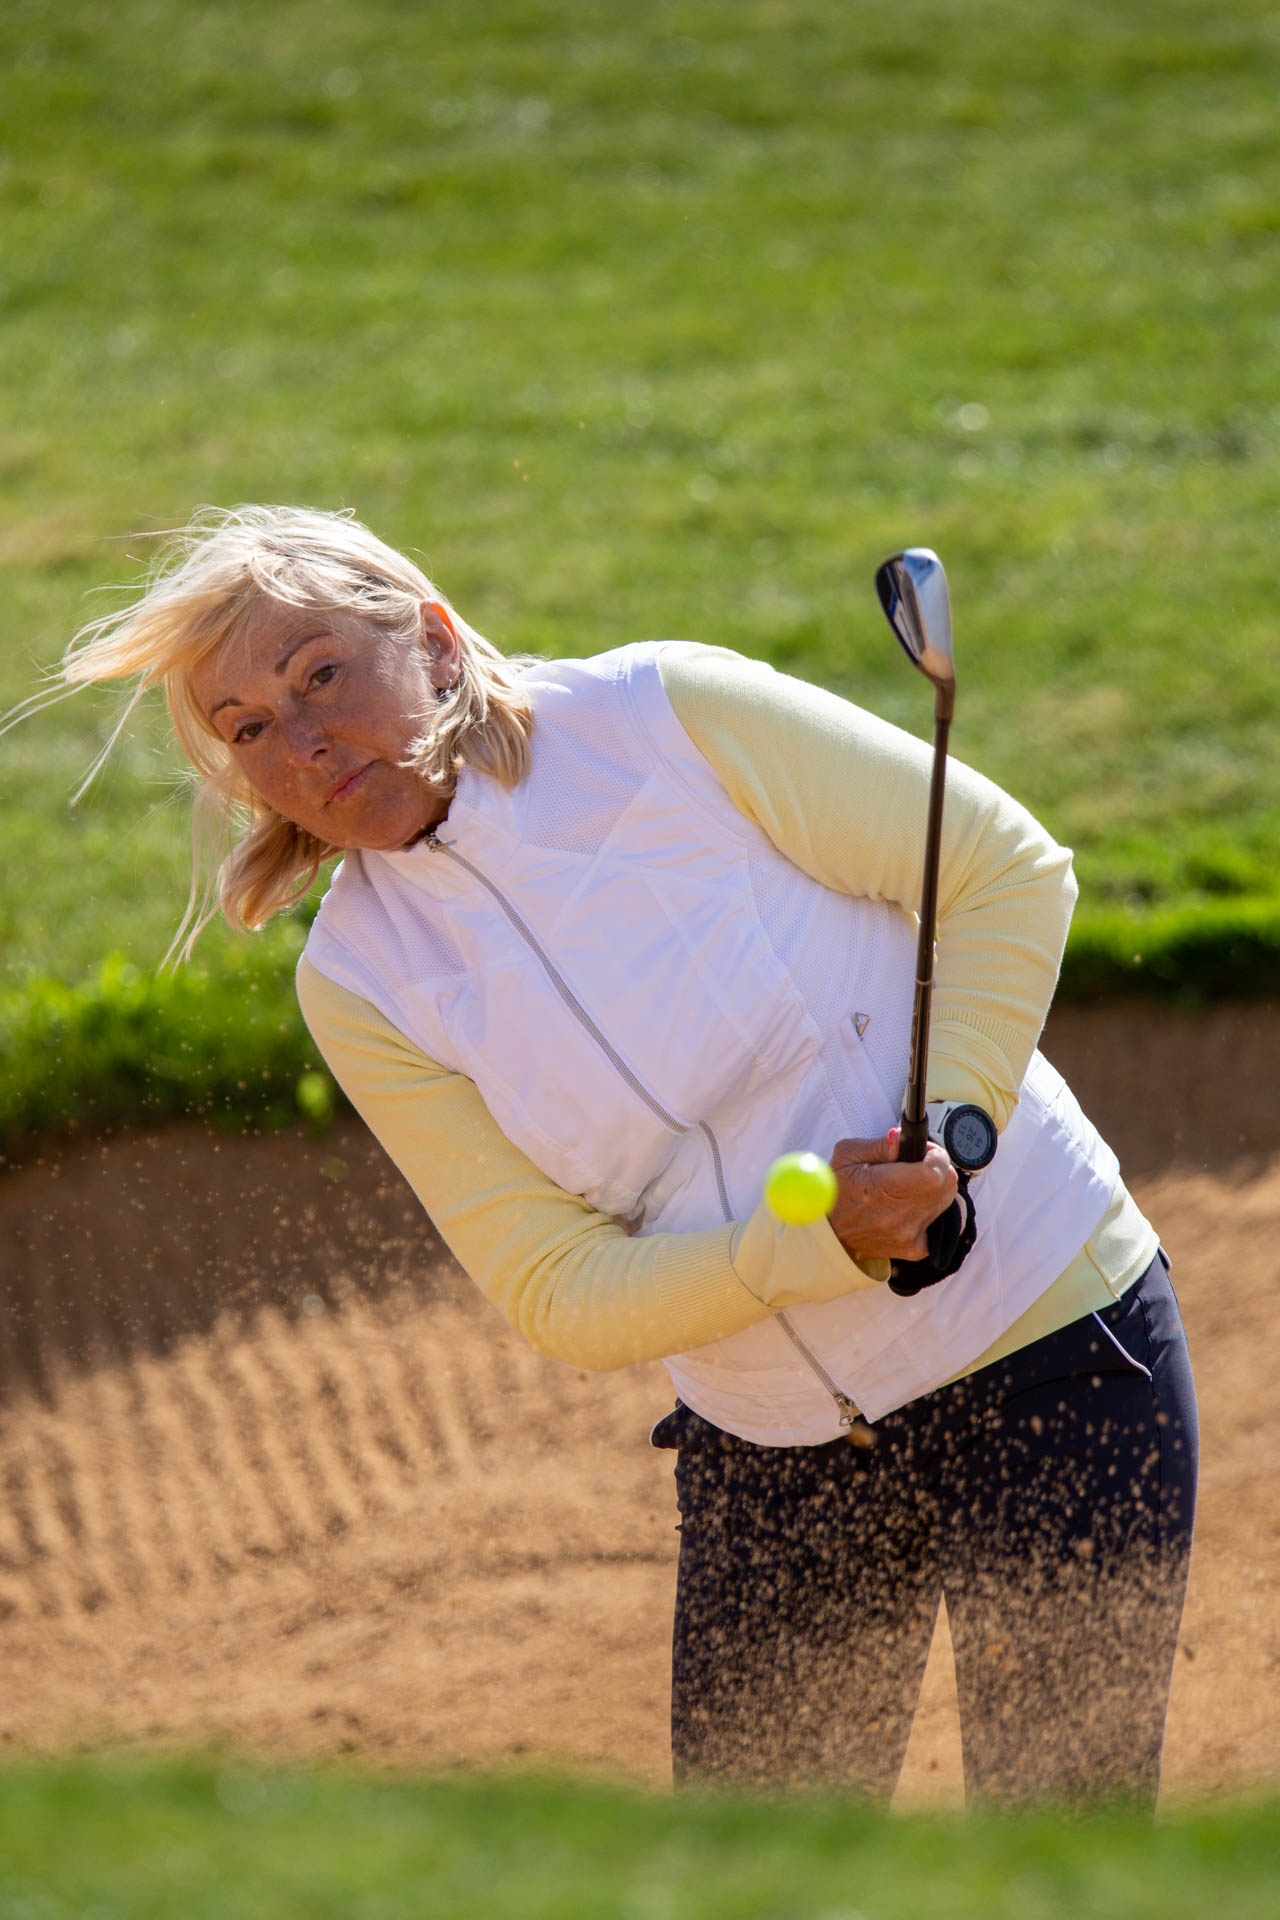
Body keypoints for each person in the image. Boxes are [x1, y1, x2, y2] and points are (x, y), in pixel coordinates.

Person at [42, 504, 1197, 1805]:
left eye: (319, 675)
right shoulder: (362, 982)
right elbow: (560, 1292)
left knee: (1065, 1839)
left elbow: (1003, 869)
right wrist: (813, 1247)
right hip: (770, 1447)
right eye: (247, 726)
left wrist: (953, 1135)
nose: (300, 740)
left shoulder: (664, 719)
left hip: (1049, 1346)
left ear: (432, 641)